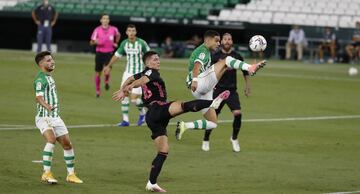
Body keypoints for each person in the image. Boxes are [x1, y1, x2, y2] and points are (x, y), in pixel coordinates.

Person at [112, 51, 230, 192]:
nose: (158, 61)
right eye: (155, 59)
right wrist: (129, 88)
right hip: (157, 108)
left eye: (158, 59)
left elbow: (131, 78)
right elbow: (141, 80)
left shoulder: (145, 71)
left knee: (163, 151)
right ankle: (213, 102)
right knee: (183, 106)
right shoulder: (151, 72)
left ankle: (151, 183)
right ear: (148, 63)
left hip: (152, 117)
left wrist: (123, 88)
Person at [175, 30, 266, 141]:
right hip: (198, 82)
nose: (219, 43)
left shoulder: (207, 52)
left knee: (212, 123)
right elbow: (196, 66)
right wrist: (195, 80)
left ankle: (185, 126)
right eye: (216, 41)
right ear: (208, 40)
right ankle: (250, 68)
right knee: (227, 60)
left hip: (201, 90)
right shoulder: (203, 51)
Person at [33, 51, 83, 184]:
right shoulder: (40, 79)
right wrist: (46, 106)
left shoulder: (49, 76)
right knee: (51, 139)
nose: (52, 62)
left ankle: (71, 175)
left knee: (67, 145)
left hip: (55, 117)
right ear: (41, 63)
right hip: (44, 117)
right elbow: (38, 97)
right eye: (48, 60)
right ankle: (46, 173)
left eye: (52, 59)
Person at [202, 33, 250, 152]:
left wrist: (247, 86)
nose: (227, 41)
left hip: (232, 91)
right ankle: (206, 139)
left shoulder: (237, 56)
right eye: (225, 39)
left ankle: (234, 138)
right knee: (213, 118)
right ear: (221, 41)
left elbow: (245, 71)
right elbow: (207, 71)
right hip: (218, 90)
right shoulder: (215, 55)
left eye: (229, 39)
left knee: (238, 114)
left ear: (232, 41)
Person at [104, 24, 150, 127]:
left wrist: (149, 70)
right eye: (129, 31)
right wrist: (108, 66)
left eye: (133, 31)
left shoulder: (142, 43)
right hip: (128, 73)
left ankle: (143, 114)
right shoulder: (124, 43)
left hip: (139, 74)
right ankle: (125, 120)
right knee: (123, 95)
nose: (131, 33)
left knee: (134, 99)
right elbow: (117, 55)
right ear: (126, 32)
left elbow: (150, 55)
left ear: (136, 32)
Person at [90, 14, 120, 98]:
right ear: (101, 20)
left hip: (109, 53)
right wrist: (95, 42)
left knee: (107, 70)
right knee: (98, 73)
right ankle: (98, 90)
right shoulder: (97, 30)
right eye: (104, 18)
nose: (106, 20)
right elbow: (91, 42)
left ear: (109, 20)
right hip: (99, 53)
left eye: (107, 18)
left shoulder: (113, 29)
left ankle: (106, 82)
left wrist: (116, 43)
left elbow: (118, 35)